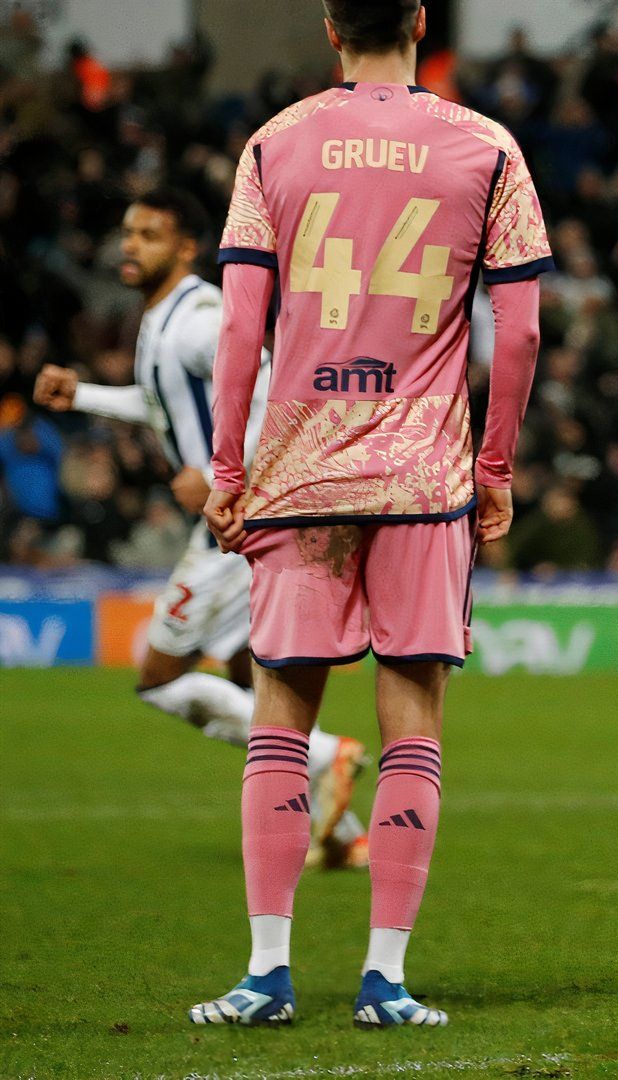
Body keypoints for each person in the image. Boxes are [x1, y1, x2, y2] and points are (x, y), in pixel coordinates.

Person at [189, 0, 549, 1027]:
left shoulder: (276, 143)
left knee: (280, 720)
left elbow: (240, 327)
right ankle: (384, 979)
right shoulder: (486, 147)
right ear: (423, 19)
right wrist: (495, 466)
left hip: (302, 473)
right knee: (413, 729)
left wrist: (228, 468)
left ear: (330, 25)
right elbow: (517, 335)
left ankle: (266, 975)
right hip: (422, 479)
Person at [32, 190, 368, 870]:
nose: (131, 245)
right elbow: (162, 403)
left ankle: (330, 756)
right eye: (127, 232)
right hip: (247, 512)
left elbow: (270, 390)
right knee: (249, 680)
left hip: (239, 520)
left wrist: (225, 476)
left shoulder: (199, 318)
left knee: (158, 677)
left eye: (150, 235)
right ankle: (339, 834)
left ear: (185, 248)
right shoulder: (163, 319)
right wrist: (86, 396)